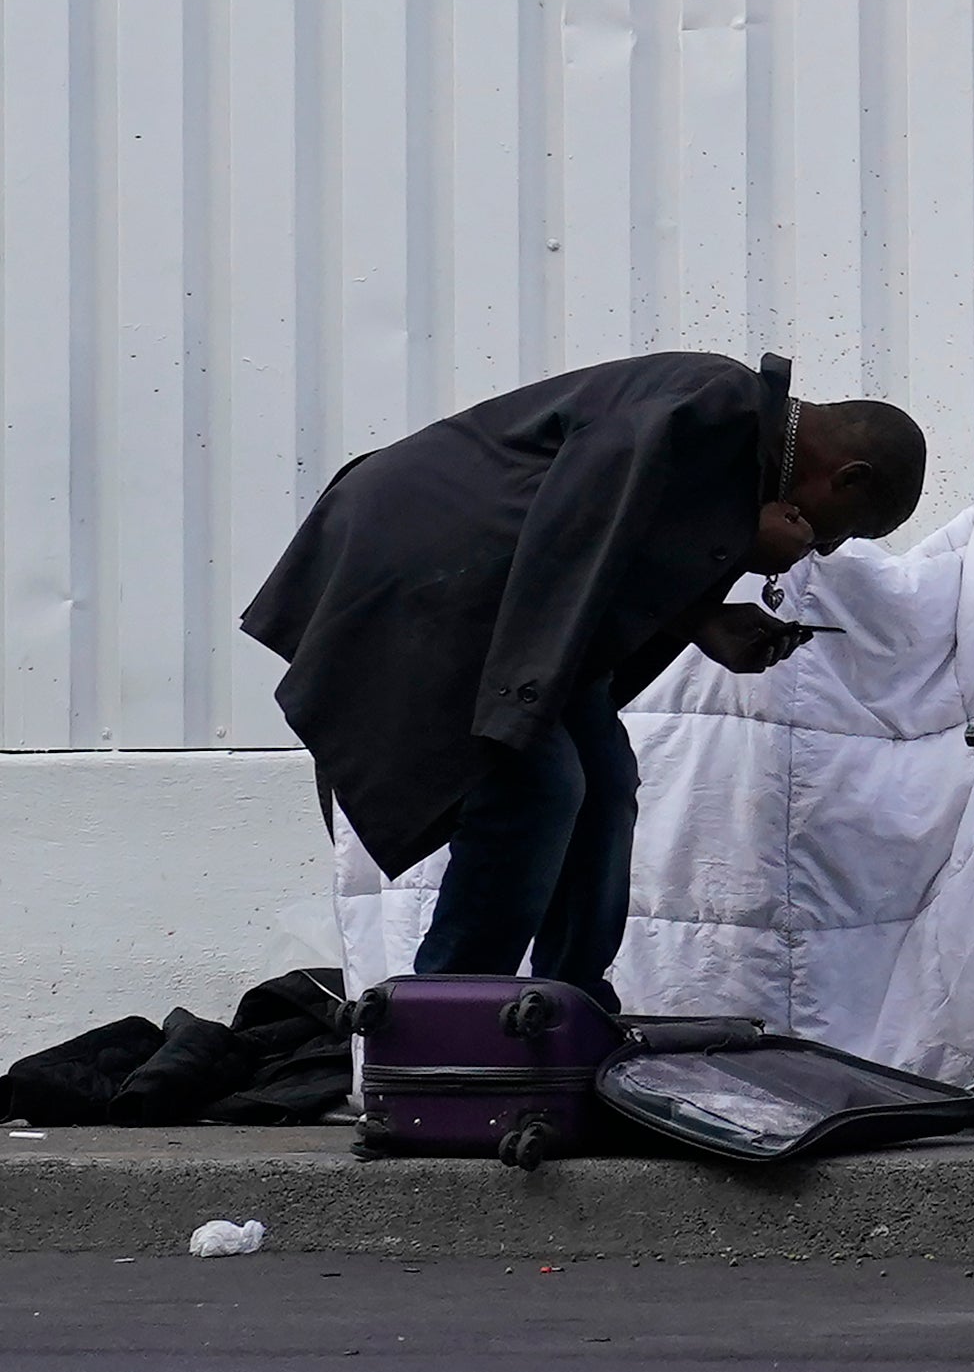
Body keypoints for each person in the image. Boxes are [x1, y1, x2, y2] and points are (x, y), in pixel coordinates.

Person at [242, 352, 928, 1002]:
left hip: (504, 599)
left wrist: (702, 622)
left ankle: (567, 1005)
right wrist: (737, 538)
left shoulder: (736, 442)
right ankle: (448, 1014)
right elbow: (574, 522)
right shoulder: (715, 408)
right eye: (840, 533)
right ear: (847, 477)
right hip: (427, 570)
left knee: (604, 784)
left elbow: (615, 548)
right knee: (535, 789)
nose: (823, 546)